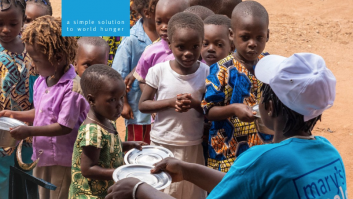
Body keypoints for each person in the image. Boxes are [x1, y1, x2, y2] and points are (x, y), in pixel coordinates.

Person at [106, 53, 346, 199]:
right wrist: (187, 170)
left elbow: (253, 174)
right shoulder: (330, 153)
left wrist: (139, 190)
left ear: (269, 107)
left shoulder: (264, 158)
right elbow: (245, 182)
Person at [1, 16, 90, 199]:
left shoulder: (71, 89)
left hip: (63, 160)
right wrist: (14, 114)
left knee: (58, 194)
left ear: (57, 58)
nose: (33, 65)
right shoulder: (42, 80)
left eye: (36, 60)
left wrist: (28, 131)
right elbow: (40, 113)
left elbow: (63, 126)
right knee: (43, 194)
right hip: (43, 155)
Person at [138, 12, 208, 199]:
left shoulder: (206, 72)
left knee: (192, 191)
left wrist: (195, 104)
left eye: (195, 47)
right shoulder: (158, 71)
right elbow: (143, 105)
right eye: (180, 47)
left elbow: (210, 108)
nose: (188, 53)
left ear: (202, 43)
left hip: (193, 143)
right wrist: (170, 103)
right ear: (169, 45)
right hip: (163, 143)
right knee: (164, 190)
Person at [201, 1, 271, 173]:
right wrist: (234, 109)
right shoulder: (221, 69)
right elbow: (208, 110)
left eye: (259, 37)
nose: (252, 43)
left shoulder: (268, 63)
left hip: (263, 148)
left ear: (267, 35)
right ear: (231, 34)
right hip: (227, 154)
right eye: (245, 37)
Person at [69, 65, 147, 199]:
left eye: (122, 98)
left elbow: (106, 150)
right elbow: (88, 169)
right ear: (92, 100)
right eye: (112, 100)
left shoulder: (106, 120)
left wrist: (129, 145)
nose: (119, 105)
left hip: (105, 191)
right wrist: (123, 172)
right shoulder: (92, 131)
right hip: (90, 195)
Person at [0, 0, 36, 198]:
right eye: (0, 23)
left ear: (23, 19)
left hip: (29, 127)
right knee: (2, 178)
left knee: (27, 176)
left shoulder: (32, 49)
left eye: (13, 24)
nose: (5, 30)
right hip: (1, 129)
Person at [113, 0, 159, 144]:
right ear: (147, 12)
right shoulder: (131, 40)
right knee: (138, 149)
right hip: (138, 113)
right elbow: (118, 75)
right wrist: (124, 103)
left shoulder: (168, 36)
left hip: (161, 111)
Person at [133, 0, 189, 88]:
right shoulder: (151, 52)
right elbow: (142, 80)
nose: (163, 27)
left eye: (170, 22)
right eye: (159, 22)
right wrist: (153, 98)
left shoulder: (195, 51)